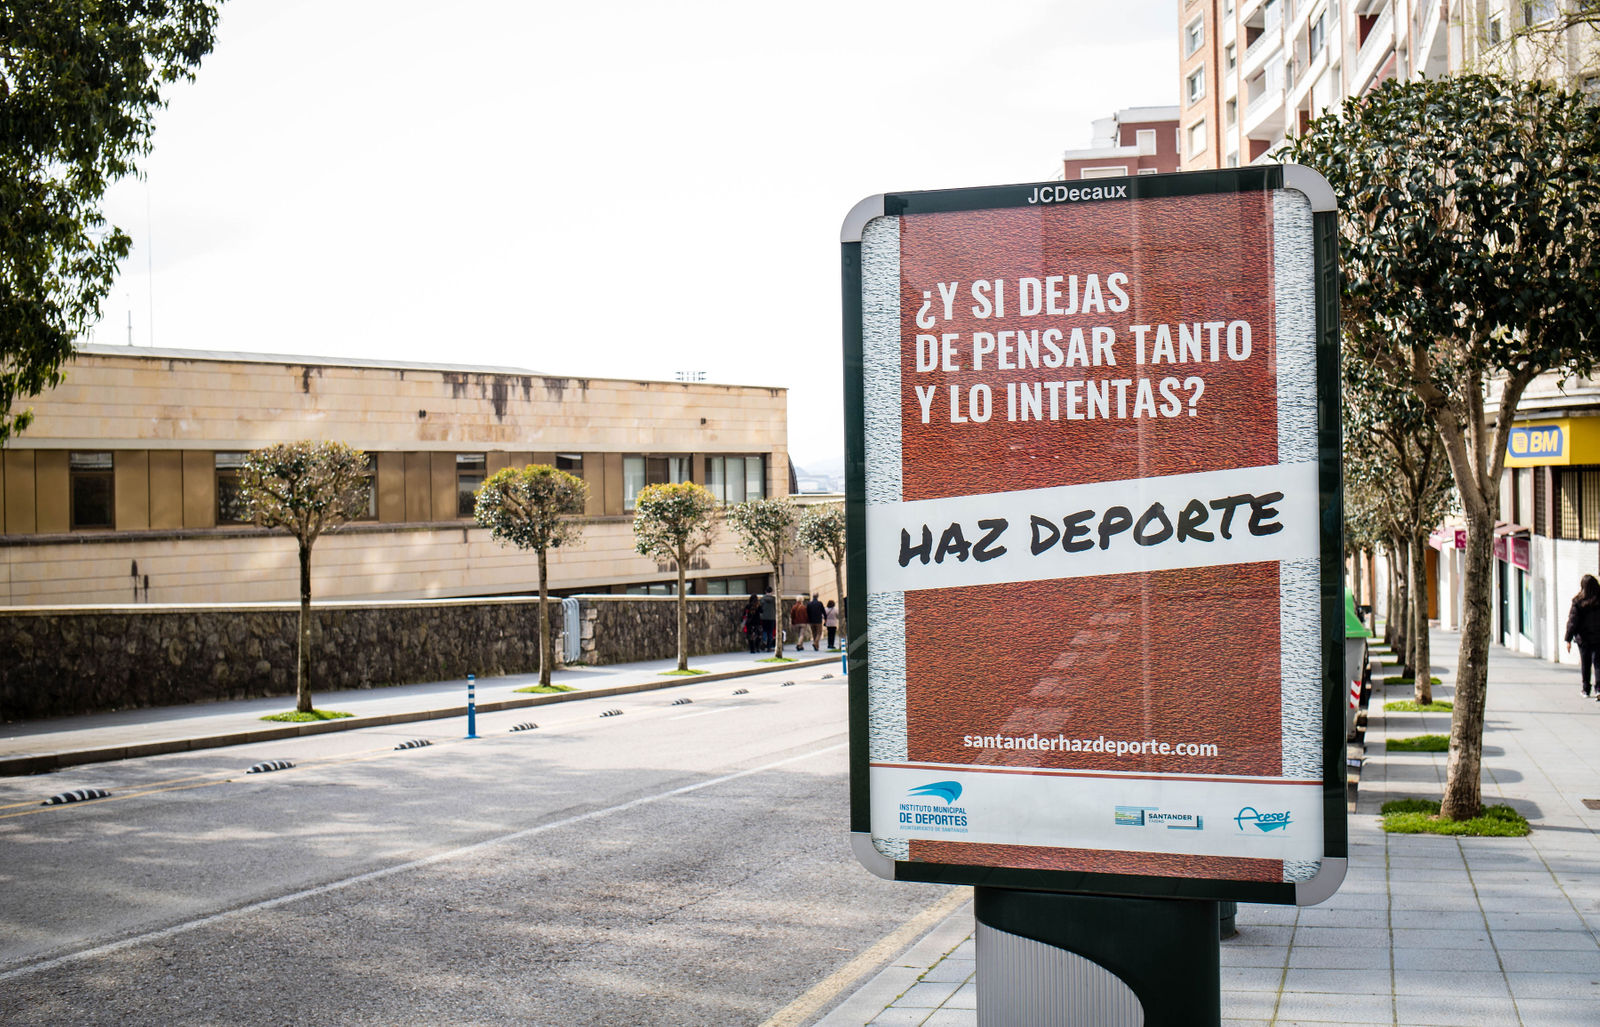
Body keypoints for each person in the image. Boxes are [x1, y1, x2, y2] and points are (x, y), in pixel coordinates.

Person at [1566, 573, 1600, 698]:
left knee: (1585, 664)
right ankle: (1599, 688)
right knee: (1598, 663)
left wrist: (1568, 639)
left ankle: (1586, 689)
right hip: (1598, 638)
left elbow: (1572, 622)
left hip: (1583, 639)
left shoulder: (1578, 601)